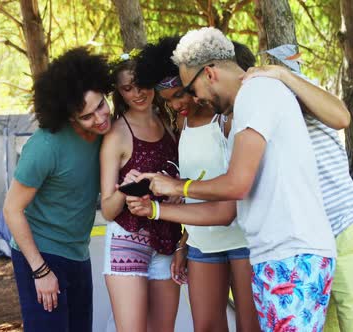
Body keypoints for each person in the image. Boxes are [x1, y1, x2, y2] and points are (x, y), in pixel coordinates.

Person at [127, 27, 337, 331]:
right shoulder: (243, 110)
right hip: (273, 255)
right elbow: (226, 209)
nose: (193, 98)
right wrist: (156, 210)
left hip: (292, 254)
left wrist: (177, 185)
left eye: (190, 88)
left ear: (209, 73)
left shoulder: (256, 92)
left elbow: (236, 185)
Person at [133, 37, 259, 332]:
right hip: (203, 242)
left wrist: (160, 205)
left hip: (243, 239)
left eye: (181, 94)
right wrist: (183, 244)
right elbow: (194, 186)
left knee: (250, 326)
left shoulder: (224, 117)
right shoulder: (181, 123)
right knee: (206, 326)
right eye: (169, 101)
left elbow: (221, 192)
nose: (177, 104)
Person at [2, 47, 112, 332]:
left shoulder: (107, 135)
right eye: (87, 116)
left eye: (100, 105)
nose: (99, 118)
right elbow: (11, 210)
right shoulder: (45, 147)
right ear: (69, 117)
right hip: (41, 253)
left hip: (78, 252)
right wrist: (40, 271)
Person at [241, 65, 353, 332]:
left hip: (341, 224)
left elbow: (341, 117)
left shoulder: (279, 86)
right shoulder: (245, 113)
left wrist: (283, 75)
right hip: (304, 242)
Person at [99, 53, 181, 331]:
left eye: (141, 84)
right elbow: (109, 210)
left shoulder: (169, 123)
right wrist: (125, 189)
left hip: (168, 238)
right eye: (127, 88)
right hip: (128, 239)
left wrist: (178, 192)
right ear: (119, 93)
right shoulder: (117, 134)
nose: (137, 93)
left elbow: (178, 180)